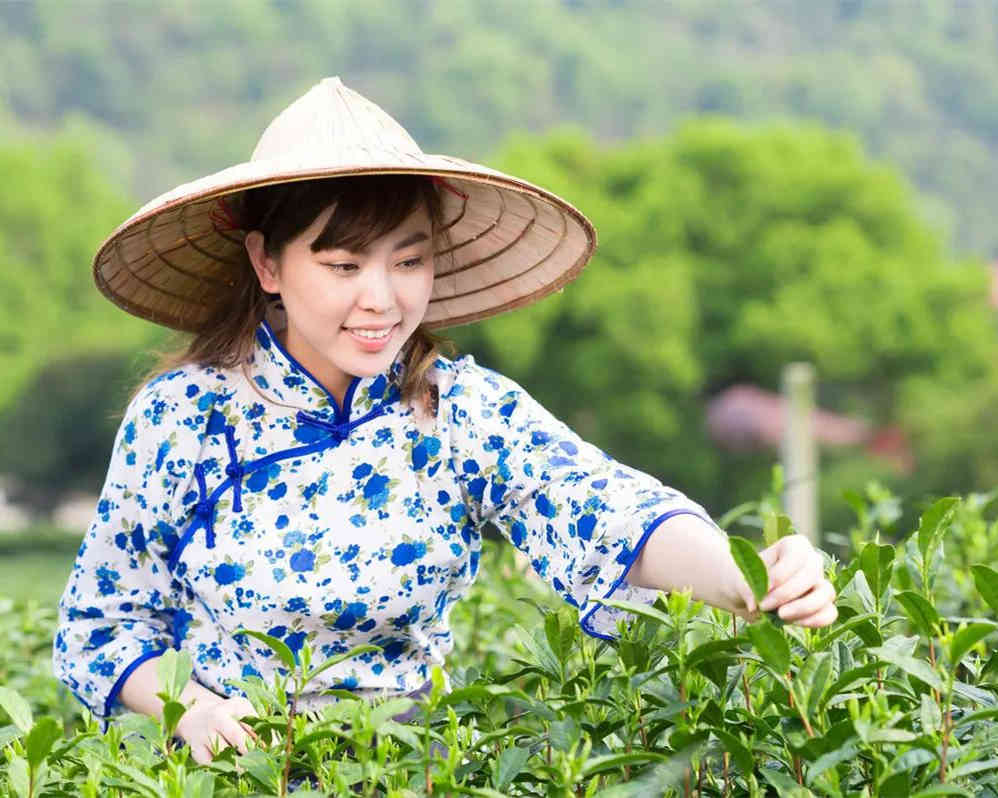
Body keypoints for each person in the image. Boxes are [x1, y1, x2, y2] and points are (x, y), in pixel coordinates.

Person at [53, 77, 837, 766]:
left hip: (415, 768)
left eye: (409, 260)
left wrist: (747, 577)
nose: (382, 299)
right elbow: (103, 622)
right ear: (268, 265)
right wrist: (194, 710)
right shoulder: (185, 417)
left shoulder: (460, 410)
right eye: (342, 265)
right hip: (236, 771)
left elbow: (602, 509)